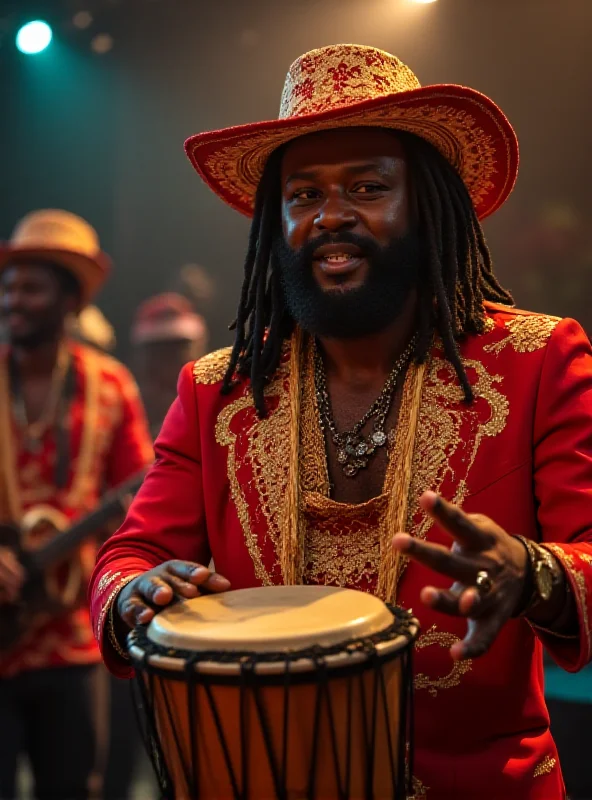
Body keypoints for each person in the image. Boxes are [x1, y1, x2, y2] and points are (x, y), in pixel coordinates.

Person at [90, 45, 592, 799]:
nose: (330, 216)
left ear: (426, 201)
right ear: (277, 220)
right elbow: (130, 555)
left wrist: (536, 573)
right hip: (260, 780)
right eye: (303, 195)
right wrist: (135, 593)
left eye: (368, 187)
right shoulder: (215, 389)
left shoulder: (540, 359)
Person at [0, 209, 153, 800]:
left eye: (31, 288)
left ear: (69, 300)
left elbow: (142, 500)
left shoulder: (111, 385)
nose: (13, 299)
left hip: (72, 640)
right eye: (9, 286)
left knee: (75, 789)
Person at [131, 292, 208, 437]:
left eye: (182, 347)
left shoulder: (215, 405)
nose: (179, 358)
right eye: (162, 351)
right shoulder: (128, 410)